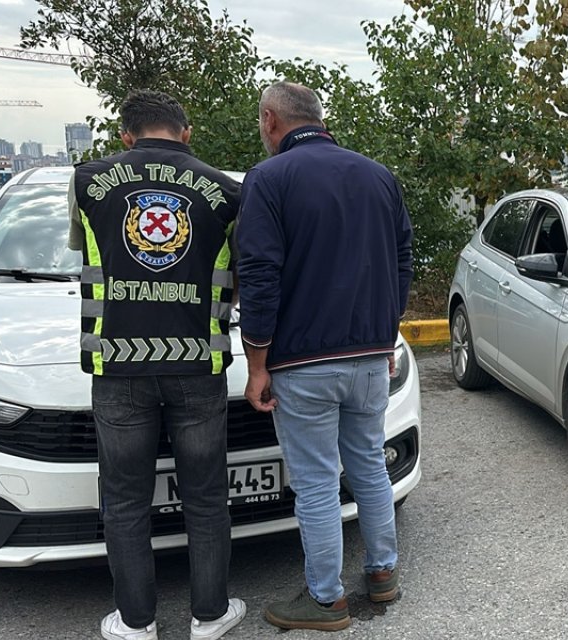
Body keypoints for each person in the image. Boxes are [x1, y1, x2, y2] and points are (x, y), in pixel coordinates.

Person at [237, 81, 414, 632]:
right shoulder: (378, 175)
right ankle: (383, 576)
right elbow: (402, 260)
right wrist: (386, 335)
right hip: (369, 357)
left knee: (315, 481)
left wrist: (257, 362)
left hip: (303, 363)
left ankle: (324, 600)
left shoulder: (268, 180)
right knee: (368, 465)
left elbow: (260, 275)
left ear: (271, 120)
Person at [70, 90, 245, 640]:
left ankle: (136, 623)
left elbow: (86, 251)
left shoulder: (86, 183)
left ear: (126, 135)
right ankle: (210, 617)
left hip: (117, 365)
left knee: (123, 501)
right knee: (206, 497)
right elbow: (240, 276)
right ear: (186, 132)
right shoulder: (227, 192)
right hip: (199, 364)